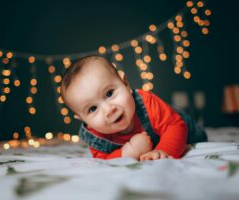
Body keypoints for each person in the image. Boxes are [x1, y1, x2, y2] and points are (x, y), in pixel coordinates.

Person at [61, 55, 207, 161]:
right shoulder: (96, 137)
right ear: (83, 120)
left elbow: (175, 125)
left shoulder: (147, 103)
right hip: (145, 146)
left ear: (125, 84)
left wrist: (163, 151)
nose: (109, 109)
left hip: (185, 130)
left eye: (110, 93)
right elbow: (104, 159)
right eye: (92, 109)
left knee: (184, 127)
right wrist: (129, 152)